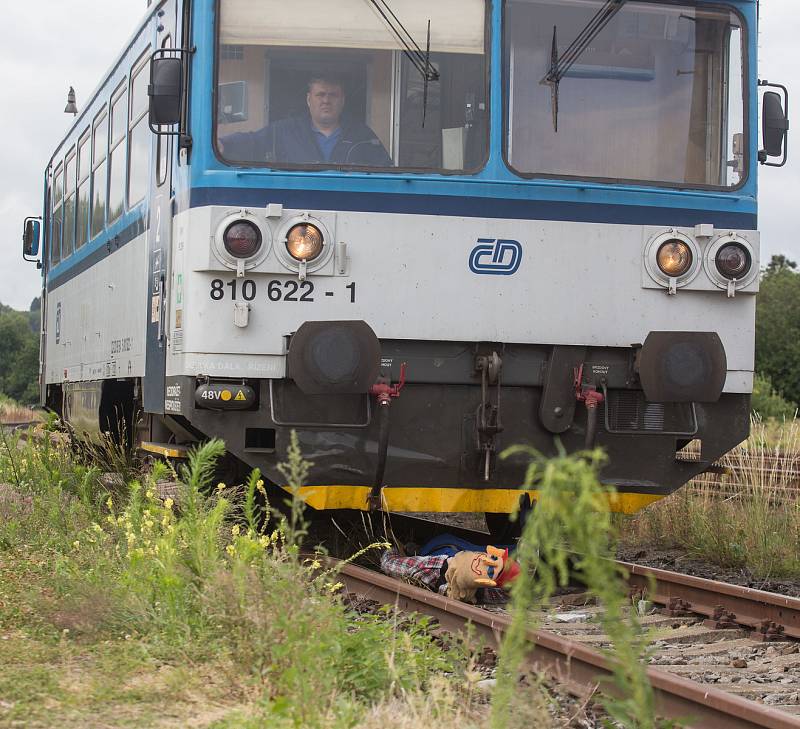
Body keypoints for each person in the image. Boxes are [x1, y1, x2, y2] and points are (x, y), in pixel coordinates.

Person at [220, 75, 392, 167]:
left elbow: (388, 173)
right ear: (309, 100)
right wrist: (222, 144)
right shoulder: (284, 130)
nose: (326, 100)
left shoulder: (362, 136)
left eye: (333, 95)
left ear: (343, 100)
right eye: (320, 94)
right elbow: (253, 142)